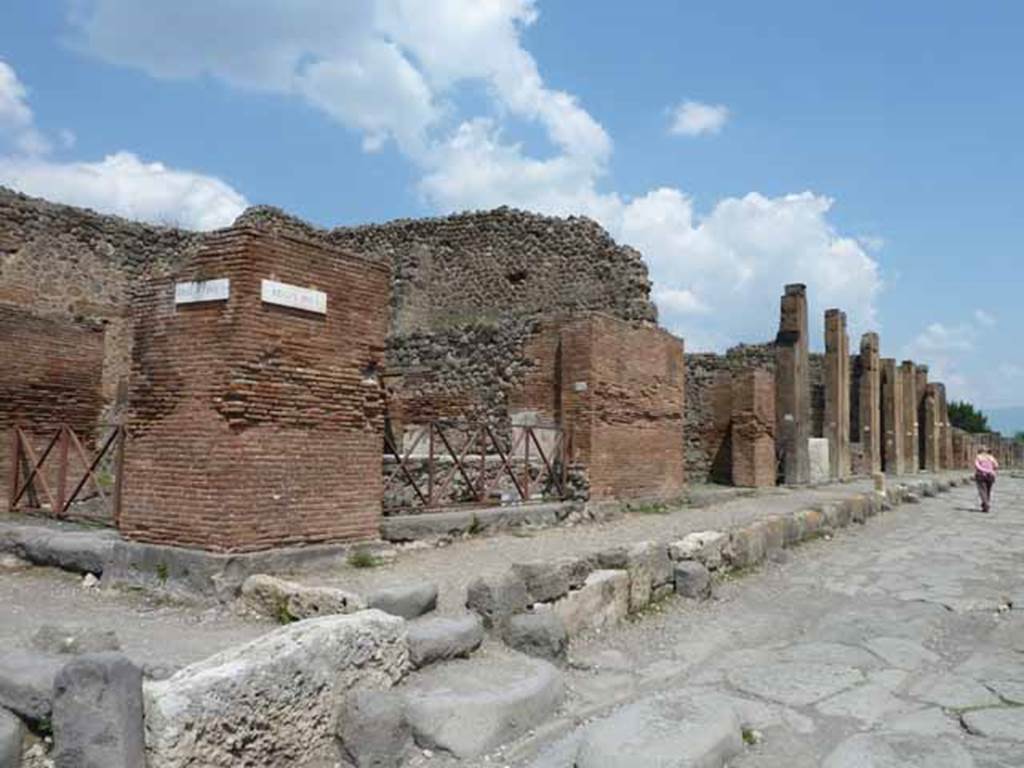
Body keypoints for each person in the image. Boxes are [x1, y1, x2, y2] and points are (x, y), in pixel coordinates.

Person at [974, 447, 999, 513]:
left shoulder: (978, 457)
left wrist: (985, 470)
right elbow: (996, 465)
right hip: (990, 476)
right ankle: (985, 504)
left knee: (982, 491)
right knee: (988, 491)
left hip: (981, 475)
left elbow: (977, 466)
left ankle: (986, 504)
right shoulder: (991, 457)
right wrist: (992, 470)